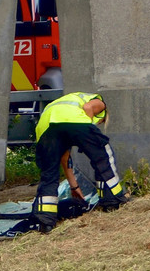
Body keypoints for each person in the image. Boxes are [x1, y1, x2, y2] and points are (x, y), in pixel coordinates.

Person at [30, 92, 128, 232]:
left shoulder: (62, 104)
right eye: (99, 122)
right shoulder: (100, 103)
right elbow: (88, 107)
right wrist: (86, 133)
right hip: (76, 123)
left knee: (49, 173)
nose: (98, 123)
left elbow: (64, 157)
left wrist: (74, 187)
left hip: (46, 128)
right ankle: (112, 200)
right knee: (103, 156)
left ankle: (45, 220)